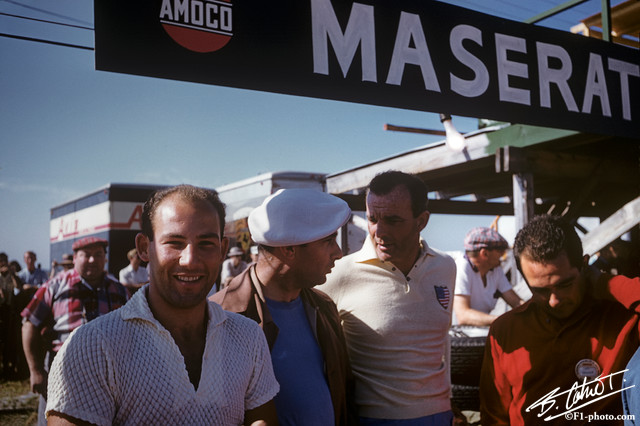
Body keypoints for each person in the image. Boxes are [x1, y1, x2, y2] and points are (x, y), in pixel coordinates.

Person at [46, 184, 279, 425]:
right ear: (144, 248)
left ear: (222, 250)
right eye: (174, 242)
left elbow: (261, 419)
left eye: (206, 244)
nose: (190, 260)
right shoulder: (92, 346)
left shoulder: (248, 336)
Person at [318, 171, 457, 424]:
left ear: (421, 221)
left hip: (440, 415)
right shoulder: (340, 273)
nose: (379, 231)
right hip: (373, 418)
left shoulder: (445, 266)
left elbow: (440, 343)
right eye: (372, 218)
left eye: (393, 220)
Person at [211, 188, 357, 425]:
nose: (338, 253)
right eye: (329, 241)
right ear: (289, 249)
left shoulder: (323, 307)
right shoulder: (220, 314)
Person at [480, 214, 640, 425]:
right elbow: (494, 417)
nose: (554, 301)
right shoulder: (506, 332)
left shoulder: (622, 317)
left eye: (564, 285)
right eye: (539, 290)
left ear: (584, 266)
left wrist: (605, 283)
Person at [21, 237, 129, 426]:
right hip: (61, 374)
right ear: (75, 258)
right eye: (86, 255)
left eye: (98, 255)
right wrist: (35, 370)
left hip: (108, 377)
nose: (92, 260)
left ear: (105, 258)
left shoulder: (119, 290)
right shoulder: (55, 286)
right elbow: (29, 323)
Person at [453, 227, 523, 326]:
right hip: (459, 337)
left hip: (481, 331)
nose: (503, 255)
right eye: (500, 251)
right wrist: (506, 321)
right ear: (484, 253)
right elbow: (463, 316)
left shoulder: (495, 269)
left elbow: (516, 302)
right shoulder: (462, 268)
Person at [1, 252, 22, 379]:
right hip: (1, 314)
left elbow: (18, 287)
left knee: (12, 342)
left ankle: (12, 367)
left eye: (5, 261)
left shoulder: (12, 276)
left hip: (11, 314)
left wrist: (12, 273)